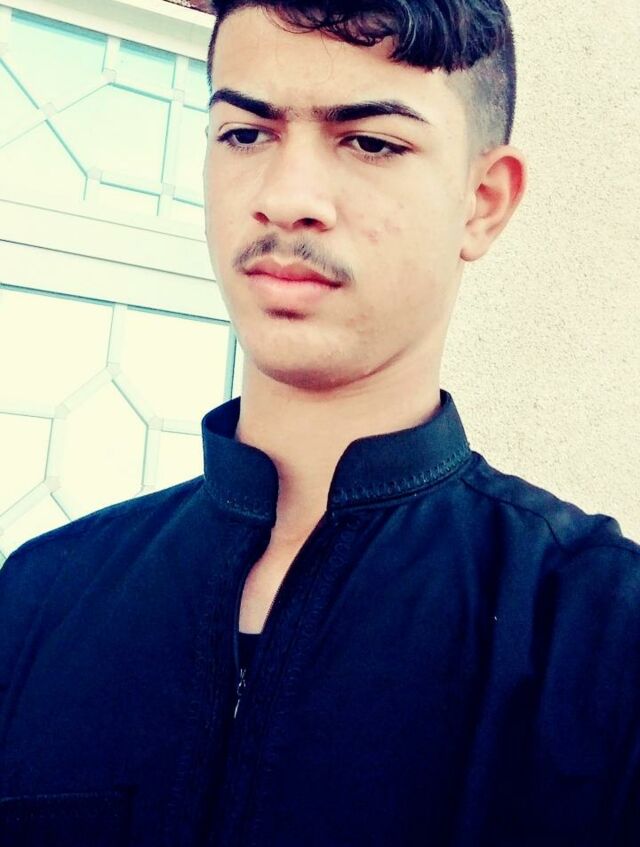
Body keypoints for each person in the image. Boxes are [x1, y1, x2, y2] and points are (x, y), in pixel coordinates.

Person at [0, 1, 638, 844]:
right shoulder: (36, 597)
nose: (286, 197)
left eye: (369, 141)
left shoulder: (601, 637)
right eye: (244, 134)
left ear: (482, 202)